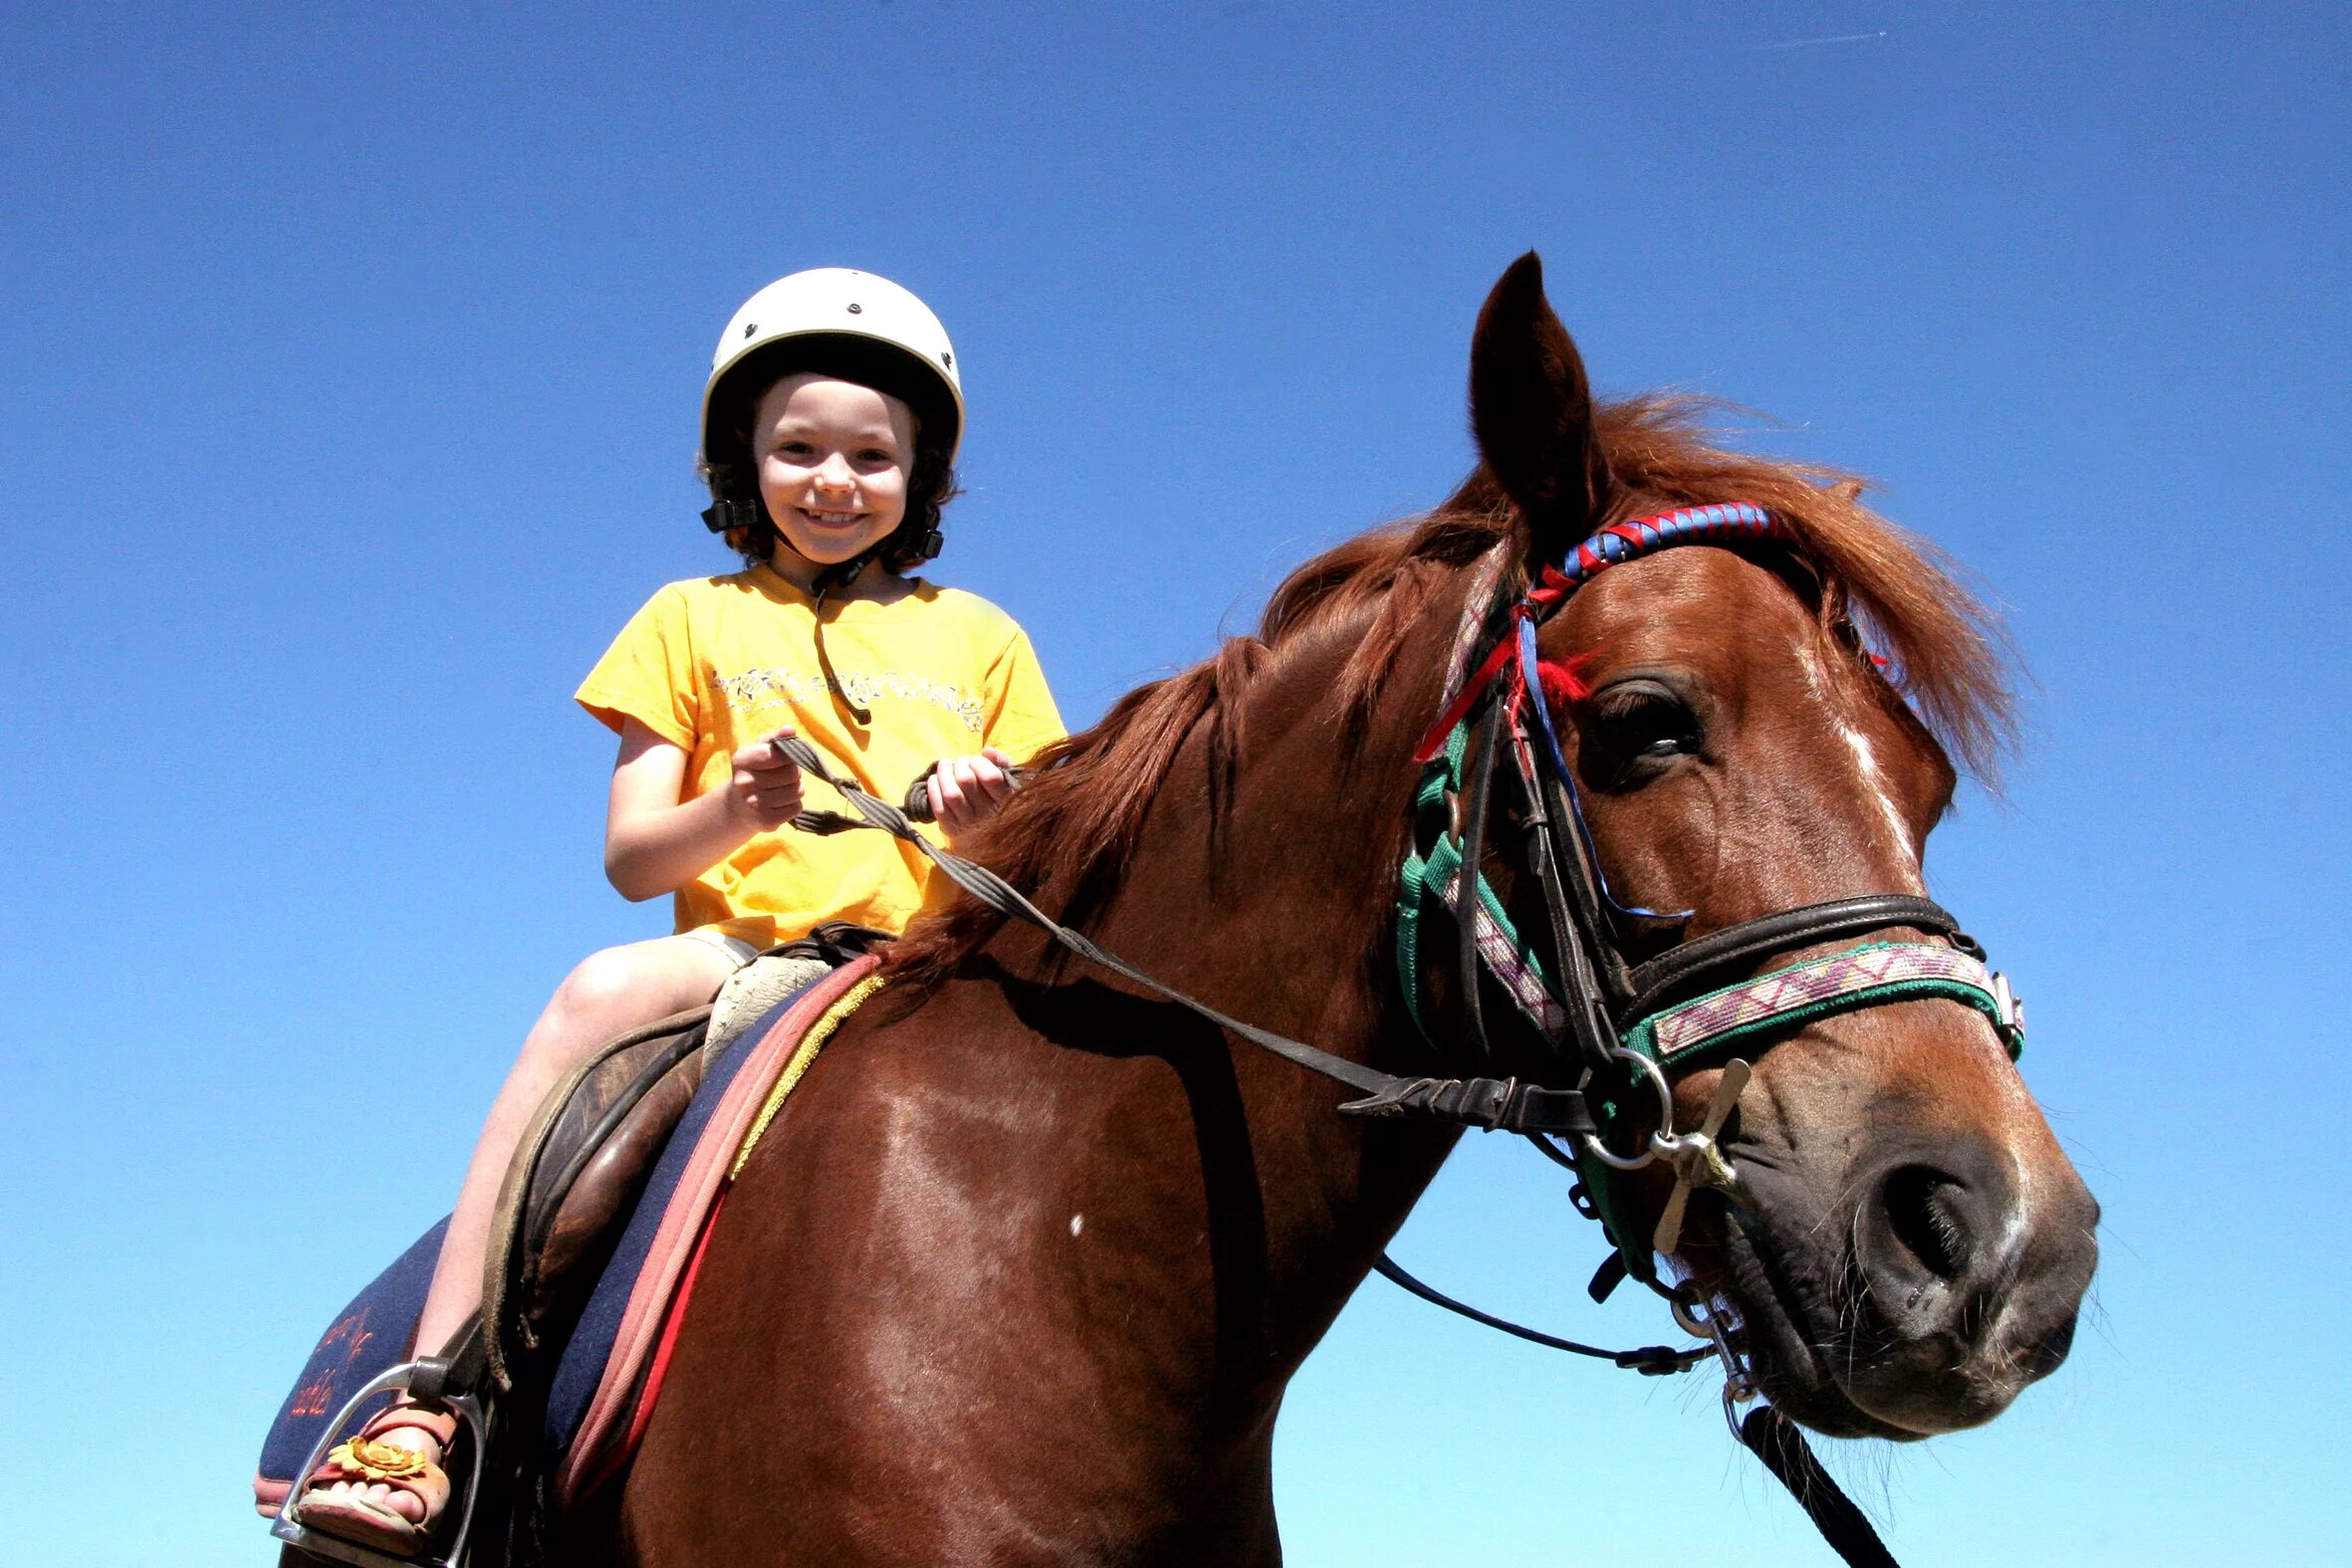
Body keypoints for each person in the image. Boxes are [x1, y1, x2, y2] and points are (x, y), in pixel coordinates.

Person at [295, 269, 1064, 1553]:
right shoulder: (686, 617)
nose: (834, 479)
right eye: (799, 447)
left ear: (921, 476)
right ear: (743, 461)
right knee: (598, 990)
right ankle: (425, 1415)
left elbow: (1039, 837)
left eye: (874, 455)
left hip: (931, 964)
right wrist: (740, 808)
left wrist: (997, 820)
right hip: (749, 958)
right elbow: (634, 860)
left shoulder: (981, 636)